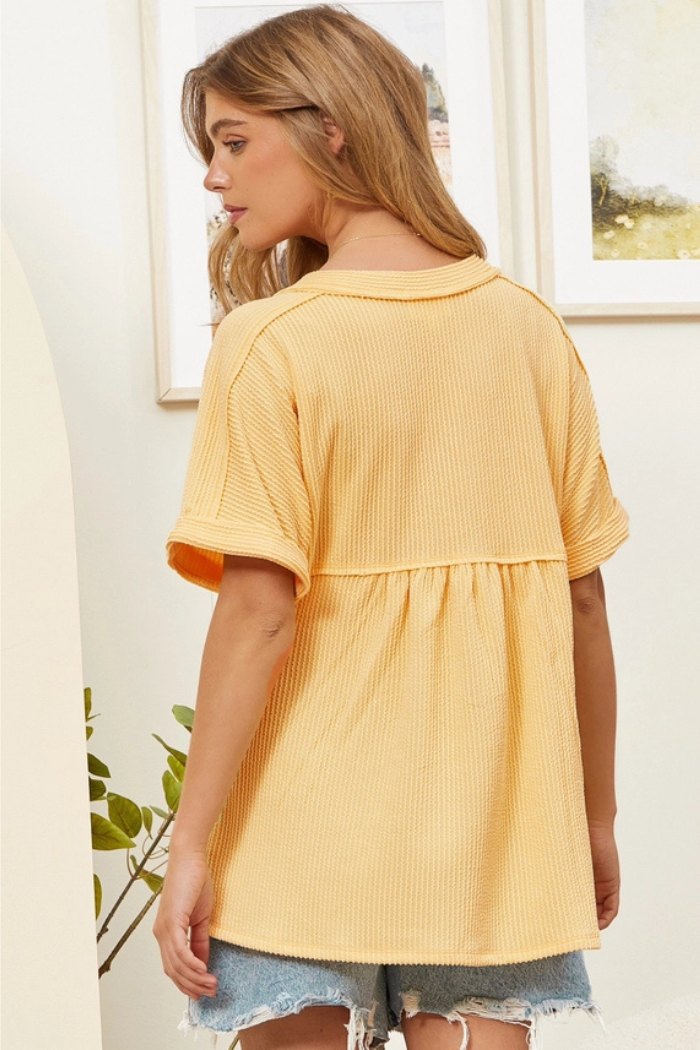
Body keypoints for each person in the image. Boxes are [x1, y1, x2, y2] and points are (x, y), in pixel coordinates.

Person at [153, 5, 630, 1049]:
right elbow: (584, 600)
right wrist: (593, 819)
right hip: (494, 829)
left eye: (233, 142)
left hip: (301, 822)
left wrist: (190, 842)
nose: (214, 177)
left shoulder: (270, 342)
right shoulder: (527, 327)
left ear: (330, 128)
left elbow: (258, 613)